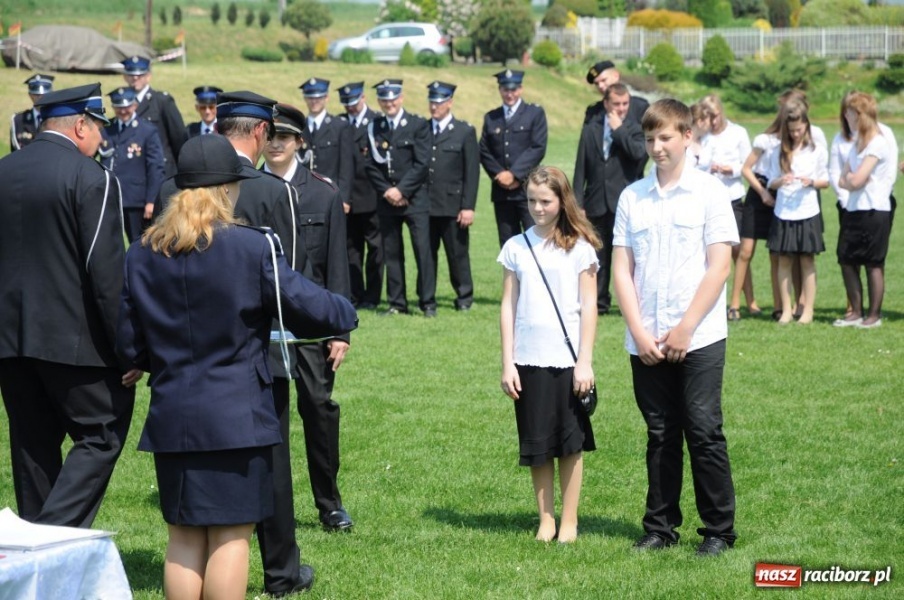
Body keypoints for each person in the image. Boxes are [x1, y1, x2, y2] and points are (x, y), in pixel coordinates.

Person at [115, 134, 358, 600]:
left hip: (173, 415)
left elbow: (130, 343)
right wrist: (345, 313)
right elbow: (308, 303)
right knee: (230, 535)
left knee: (183, 535)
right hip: (236, 417)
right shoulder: (250, 247)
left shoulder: (142, 253)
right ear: (227, 189)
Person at [0, 83, 138, 528]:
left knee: (32, 449)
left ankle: (38, 565)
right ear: (81, 124)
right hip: (76, 346)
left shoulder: (4, 171)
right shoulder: (90, 177)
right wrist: (128, 349)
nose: (102, 139)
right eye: (99, 128)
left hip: (10, 343)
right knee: (101, 434)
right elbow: (106, 275)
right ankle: (47, 542)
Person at [612, 99, 738, 556]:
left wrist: (685, 327)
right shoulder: (633, 197)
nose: (656, 147)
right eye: (649, 139)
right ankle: (660, 528)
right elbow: (621, 270)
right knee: (660, 433)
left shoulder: (710, 192)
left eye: (665, 137)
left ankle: (719, 531)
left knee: (703, 430)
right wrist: (641, 333)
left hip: (699, 336)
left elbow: (719, 266)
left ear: (688, 137)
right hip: (646, 338)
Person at [263, 103, 356, 531]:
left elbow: (337, 264)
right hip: (261, 326)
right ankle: (267, 503)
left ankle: (329, 504)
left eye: (285, 137)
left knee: (318, 411)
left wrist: (340, 330)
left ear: (300, 141)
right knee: (266, 418)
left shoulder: (323, 192)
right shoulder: (249, 189)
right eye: (271, 135)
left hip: (311, 329)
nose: (276, 143)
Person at [498, 165, 600, 544]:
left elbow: (589, 307)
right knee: (537, 444)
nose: (538, 208)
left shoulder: (581, 249)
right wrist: (508, 361)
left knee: (570, 444)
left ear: (562, 201)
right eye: (531, 201)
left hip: (568, 360)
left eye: (545, 201)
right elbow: (508, 306)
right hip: (528, 359)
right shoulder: (515, 247)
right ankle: (545, 519)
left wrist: (584, 361)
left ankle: (569, 520)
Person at [573, 82, 646, 315]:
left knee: (628, 256)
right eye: (616, 104)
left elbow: (637, 154)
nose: (622, 108)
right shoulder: (591, 129)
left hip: (625, 201)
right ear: (606, 104)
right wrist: (577, 203)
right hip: (595, 201)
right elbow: (580, 168)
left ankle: (632, 304)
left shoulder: (635, 129)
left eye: (625, 104)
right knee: (597, 255)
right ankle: (599, 302)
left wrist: (618, 130)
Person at [364, 79, 436, 317]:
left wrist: (402, 191)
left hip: (414, 200)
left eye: (393, 98)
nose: (389, 103)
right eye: (384, 99)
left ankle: (427, 303)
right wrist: (387, 191)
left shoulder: (417, 125)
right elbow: (371, 164)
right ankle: (397, 303)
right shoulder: (375, 126)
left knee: (422, 252)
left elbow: (422, 163)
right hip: (387, 201)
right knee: (392, 253)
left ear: (401, 98)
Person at [834, 92, 896, 329]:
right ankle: (856, 312)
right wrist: (853, 179)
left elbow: (856, 179)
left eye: (850, 112)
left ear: (859, 115)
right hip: (854, 208)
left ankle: (874, 315)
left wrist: (853, 179)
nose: (846, 116)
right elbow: (844, 179)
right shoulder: (857, 142)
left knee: (873, 262)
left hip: (874, 210)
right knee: (846, 258)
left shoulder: (878, 142)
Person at [765, 101, 828, 325]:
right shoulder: (777, 151)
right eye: (791, 131)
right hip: (784, 212)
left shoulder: (816, 150)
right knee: (784, 260)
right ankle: (786, 310)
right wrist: (781, 180)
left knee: (807, 260)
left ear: (806, 125)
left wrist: (811, 181)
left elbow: (825, 180)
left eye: (799, 129)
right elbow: (770, 182)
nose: (795, 134)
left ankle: (807, 310)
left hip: (808, 210)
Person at [697, 94, 757, 320]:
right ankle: (723, 301)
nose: (712, 122)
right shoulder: (703, 137)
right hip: (708, 199)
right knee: (713, 252)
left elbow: (748, 163)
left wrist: (729, 169)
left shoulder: (738, 132)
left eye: (715, 116)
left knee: (737, 251)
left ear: (721, 112)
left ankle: (745, 301)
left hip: (732, 196)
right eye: (707, 117)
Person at [425, 81, 480, 312]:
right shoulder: (422, 129)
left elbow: (472, 172)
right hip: (426, 205)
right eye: (432, 101)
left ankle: (464, 296)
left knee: (457, 254)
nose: (434, 106)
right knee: (427, 256)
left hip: (453, 205)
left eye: (439, 102)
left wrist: (468, 206)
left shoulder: (464, 131)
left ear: (450, 103)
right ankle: (427, 299)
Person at [479, 70, 548, 247]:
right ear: (500, 90)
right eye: (505, 89)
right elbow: (484, 150)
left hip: (528, 190)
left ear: (521, 89)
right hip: (502, 192)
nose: (510, 94)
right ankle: (511, 277)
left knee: (535, 240)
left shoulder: (534, 113)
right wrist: (500, 175)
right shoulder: (491, 117)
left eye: (514, 89)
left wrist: (515, 175)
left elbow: (538, 147)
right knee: (508, 244)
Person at [98, 86, 166, 243]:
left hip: (136, 200)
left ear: (135, 105)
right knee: (111, 243)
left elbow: (155, 168)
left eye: (127, 107)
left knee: (139, 243)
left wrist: (151, 201)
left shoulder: (147, 131)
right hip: (111, 198)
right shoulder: (107, 129)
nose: (123, 111)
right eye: (119, 107)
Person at [338, 81, 383, 309]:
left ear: (363, 98)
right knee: (350, 250)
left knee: (376, 249)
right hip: (346, 197)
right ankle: (355, 294)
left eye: (353, 103)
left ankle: (372, 297)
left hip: (371, 195)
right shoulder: (339, 122)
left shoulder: (376, 121)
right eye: (346, 104)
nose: (350, 108)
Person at [736, 108, 782, 320]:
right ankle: (735, 304)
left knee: (775, 254)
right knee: (745, 252)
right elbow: (746, 169)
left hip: (779, 193)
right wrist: (762, 192)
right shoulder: (765, 140)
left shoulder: (794, 144)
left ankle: (778, 306)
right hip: (758, 192)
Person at [121, 55, 187, 176]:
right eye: (131, 74)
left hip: (161, 170)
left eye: (140, 74)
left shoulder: (162, 101)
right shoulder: (122, 103)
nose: (135, 78)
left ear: (148, 76)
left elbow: (179, 138)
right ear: (125, 76)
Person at [298, 77, 355, 206]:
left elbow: (346, 166)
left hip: (331, 193)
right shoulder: (300, 127)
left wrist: (344, 198)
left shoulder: (340, 126)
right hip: (303, 194)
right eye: (310, 97)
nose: (314, 101)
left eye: (318, 98)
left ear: (326, 98)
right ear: (305, 98)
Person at [584, 60, 650, 130]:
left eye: (603, 80)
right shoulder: (594, 112)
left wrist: (620, 130)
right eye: (597, 83)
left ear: (616, 76)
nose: (600, 86)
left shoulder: (640, 108)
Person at [9, 73, 54, 152]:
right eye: (36, 94)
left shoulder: (57, 119)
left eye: (44, 94)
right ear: (30, 95)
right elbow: (15, 149)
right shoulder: (19, 120)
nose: (40, 97)